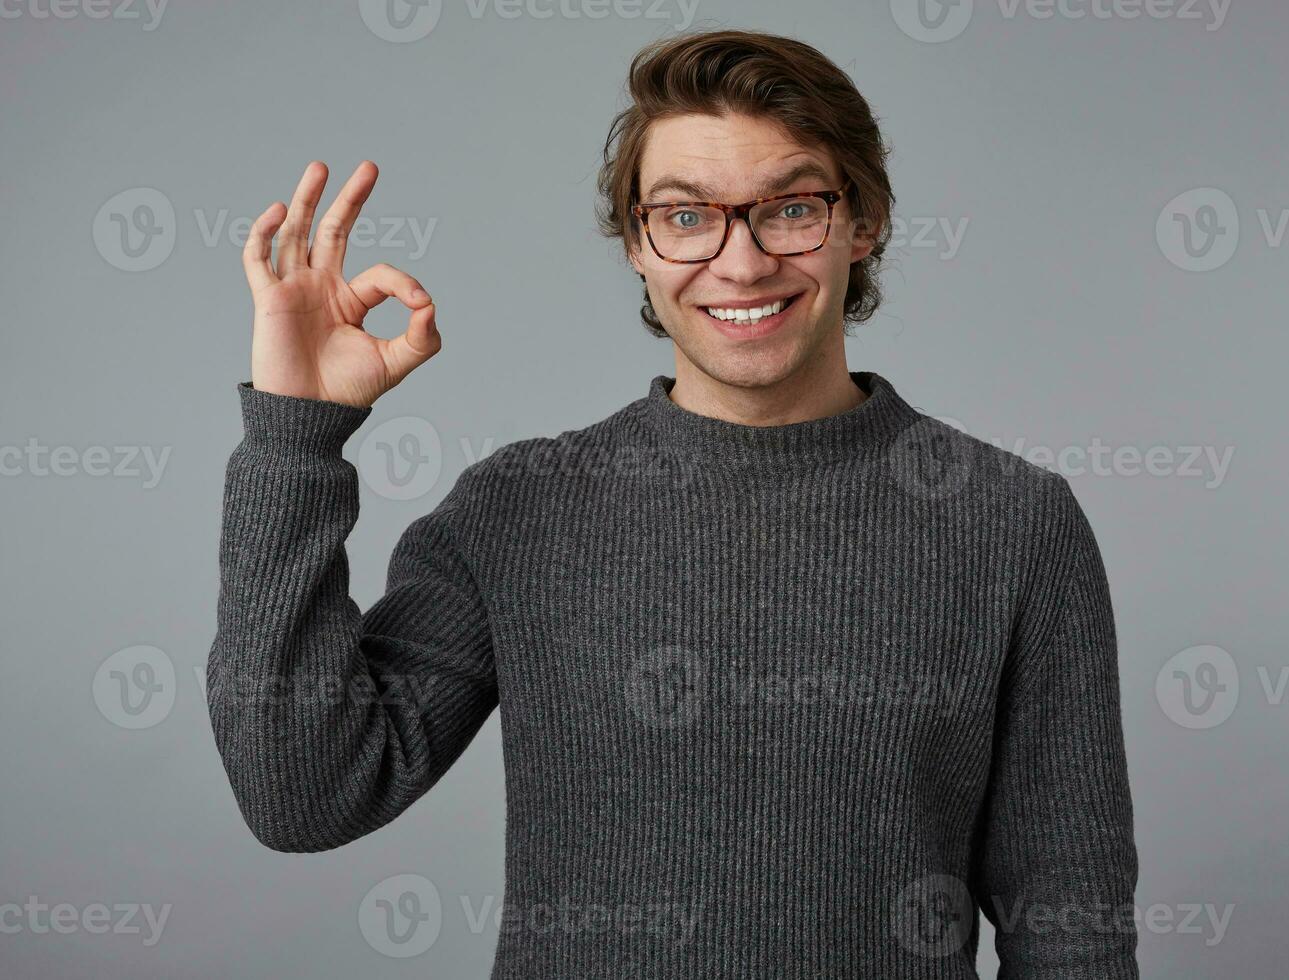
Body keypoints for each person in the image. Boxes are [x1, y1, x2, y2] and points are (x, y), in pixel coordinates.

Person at [208, 28, 1139, 978]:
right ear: (636, 247)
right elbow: (306, 796)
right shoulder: (520, 509)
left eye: (790, 208)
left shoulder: (1013, 522)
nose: (741, 264)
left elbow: (1069, 924)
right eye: (686, 217)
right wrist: (295, 436)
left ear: (865, 223)